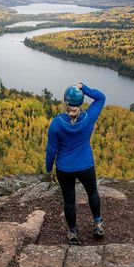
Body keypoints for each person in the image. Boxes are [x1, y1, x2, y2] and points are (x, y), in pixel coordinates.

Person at [46, 82, 106, 245]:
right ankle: (98, 224)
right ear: (81, 102)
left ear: (65, 102)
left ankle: (73, 232)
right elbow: (101, 97)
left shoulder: (57, 123)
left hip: (65, 168)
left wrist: (48, 167)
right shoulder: (89, 117)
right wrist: (85, 88)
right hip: (86, 165)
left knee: (69, 200)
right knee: (92, 193)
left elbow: (51, 150)